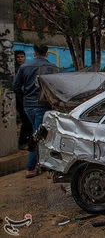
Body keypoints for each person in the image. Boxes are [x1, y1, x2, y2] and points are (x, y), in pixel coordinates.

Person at [13, 44, 59, 178]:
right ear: (47, 54)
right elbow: (56, 89)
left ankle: (40, 164)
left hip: (28, 106)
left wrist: (25, 99)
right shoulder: (53, 68)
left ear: (34, 54)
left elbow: (16, 87)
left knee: (38, 133)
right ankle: (31, 167)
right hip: (44, 106)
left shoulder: (24, 67)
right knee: (39, 136)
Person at [14, 50, 33, 150]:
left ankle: (26, 141)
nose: (20, 59)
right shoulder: (15, 69)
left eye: (22, 57)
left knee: (27, 121)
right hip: (19, 98)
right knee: (26, 121)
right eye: (18, 57)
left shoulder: (25, 68)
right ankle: (22, 142)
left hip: (25, 97)